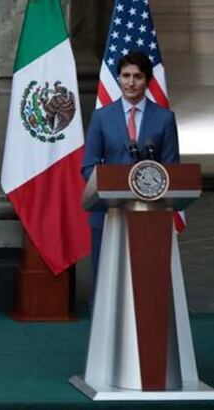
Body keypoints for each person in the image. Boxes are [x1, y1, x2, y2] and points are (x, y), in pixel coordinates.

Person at [82, 50, 179, 286]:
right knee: (107, 282)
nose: (131, 82)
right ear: (118, 79)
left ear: (147, 81)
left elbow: (172, 168)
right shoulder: (102, 117)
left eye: (137, 76)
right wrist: (114, 185)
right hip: (108, 213)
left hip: (150, 214)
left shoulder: (164, 118)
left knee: (146, 282)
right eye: (125, 76)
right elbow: (88, 167)